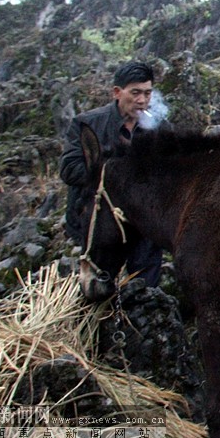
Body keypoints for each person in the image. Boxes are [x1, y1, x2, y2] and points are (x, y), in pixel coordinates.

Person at [59, 60, 166, 288]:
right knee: (97, 284)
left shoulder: (159, 127)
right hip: (99, 223)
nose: (142, 100)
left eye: (147, 93)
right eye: (135, 93)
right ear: (117, 92)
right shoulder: (87, 124)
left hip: (141, 222)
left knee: (145, 287)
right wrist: (114, 172)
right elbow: (69, 170)